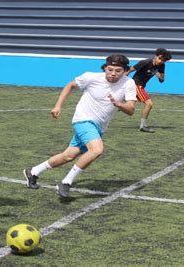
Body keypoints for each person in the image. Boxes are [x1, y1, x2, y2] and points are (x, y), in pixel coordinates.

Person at [23, 54, 137, 199]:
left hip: (99, 127)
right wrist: (58, 106)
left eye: (118, 71)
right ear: (105, 68)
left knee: (68, 155)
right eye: (110, 69)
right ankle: (66, 182)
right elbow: (70, 85)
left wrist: (120, 104)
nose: (113, 74)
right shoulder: (91, 77)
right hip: (82, 120)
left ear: (125, 70)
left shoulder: (129, 83)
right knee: (97, 150)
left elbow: (131, 110)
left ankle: (33, 172)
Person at [125, 48, 172, 133]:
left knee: (126, 106)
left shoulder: (161, 66)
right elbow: (129, 70)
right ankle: (143, 126)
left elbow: (162, 80)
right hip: (136, 85)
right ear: (156, 56)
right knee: (149, 104)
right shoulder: (145, 62)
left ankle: (106, 110)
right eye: (160, 59)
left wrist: (159, 76)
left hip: (142, 86)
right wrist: (121, 82)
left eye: (164, 60)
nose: (161, 61)